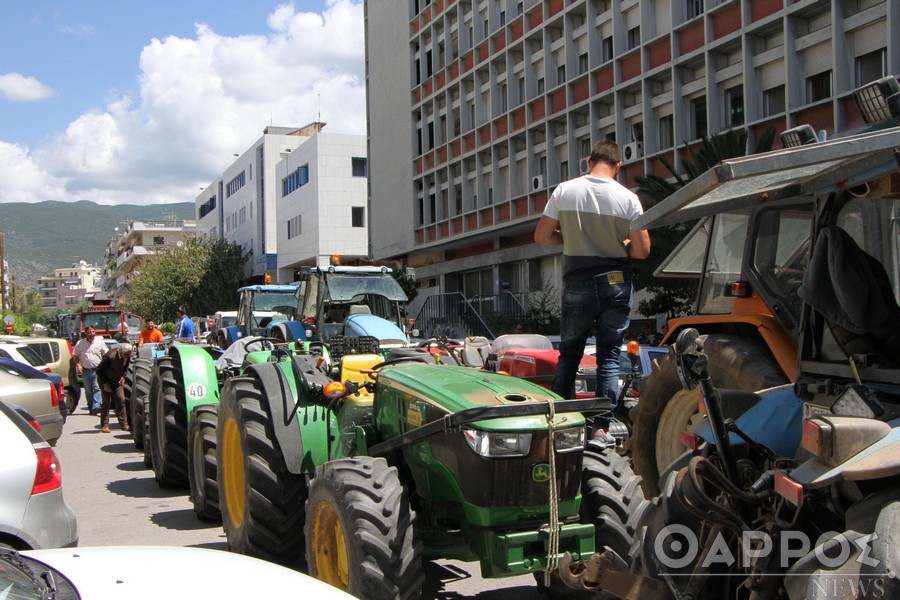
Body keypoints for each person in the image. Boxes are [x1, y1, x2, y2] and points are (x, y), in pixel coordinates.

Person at [534, 139, 651, 406]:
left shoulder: (565, 191)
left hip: (578, 282)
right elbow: (642, 251)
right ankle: (602, 428)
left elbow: (541, 236)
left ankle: (562, 418)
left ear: (589, 162)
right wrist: (620, 242)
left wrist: (573, 237)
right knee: (609, 357)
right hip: (616, 282)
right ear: (618, 166)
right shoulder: (629, 198)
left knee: (569, 355)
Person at [72, 325, 108, 415]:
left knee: (97, 387)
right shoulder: (80, 343)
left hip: (97, 370)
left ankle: (97, 406)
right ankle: (91, 407)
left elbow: (106, 355)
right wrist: (77, 364)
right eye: (89, 332)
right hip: (85, 370)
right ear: (86, 333)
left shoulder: (100, 342)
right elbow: (75, 355)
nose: (92, 334)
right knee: (88, 390)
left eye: (93, 332)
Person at [96, 344, 131, 433]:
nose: (128, 356)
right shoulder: (109, 356)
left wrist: (123, 377)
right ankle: (105, 425)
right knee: (106, 402)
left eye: (129, 354)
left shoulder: (127, 356)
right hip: (105, 380)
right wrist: (105, 383)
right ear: (121, 352)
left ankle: (124, 424)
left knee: (121, 400)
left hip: (116, 381)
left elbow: (126, 367)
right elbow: (99, 370)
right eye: (126, 354)